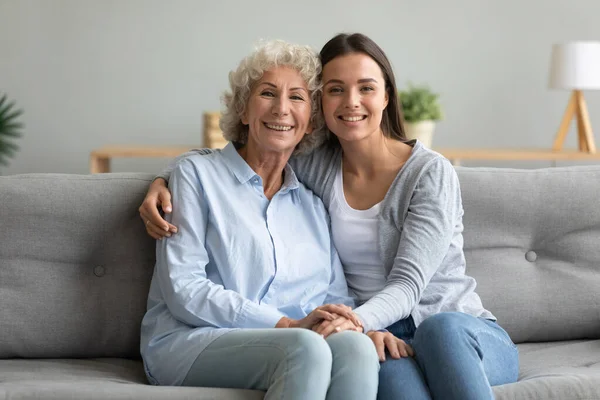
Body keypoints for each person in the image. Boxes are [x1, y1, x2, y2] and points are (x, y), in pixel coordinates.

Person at [140, 33, 519, 400]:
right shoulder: (313, 171)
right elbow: (240, 158)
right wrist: (165, 178)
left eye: (366, 87)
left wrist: (354, 324)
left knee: (437, 330)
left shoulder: (422, 174)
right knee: (347, 354)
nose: (351, 101)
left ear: (387, 95)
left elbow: (398, 287)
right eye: (336, 89)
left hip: (445, 327)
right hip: (361, 330)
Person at [139, 39, 380, 400]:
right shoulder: (196, 175)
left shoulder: (312, 205)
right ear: (244, 110)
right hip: (192, 340)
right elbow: (183, 290)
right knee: (305, 347)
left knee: (356, 347)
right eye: (268, 93)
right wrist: (285, 325)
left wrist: (349, 321)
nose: (282, 109)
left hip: (290, 342)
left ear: (311, 122)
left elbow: (335, 294)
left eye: (297, 97)